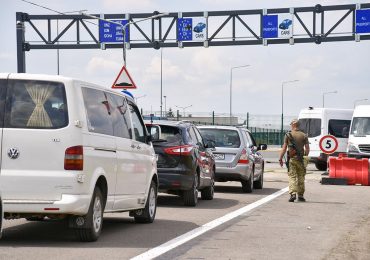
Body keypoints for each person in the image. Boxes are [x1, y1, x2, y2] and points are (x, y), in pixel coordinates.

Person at [279, 119, 310, 202]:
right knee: (301, 177)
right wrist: (305, 157)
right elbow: (307, 148)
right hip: (301, 159)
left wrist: (280, 158)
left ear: (292, 125)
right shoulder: (304, 135)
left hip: (292, 159)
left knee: (292, 176)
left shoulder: (288, 135)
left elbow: (284, 148)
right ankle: (300, 195)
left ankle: (293, 194)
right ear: (298, 125)